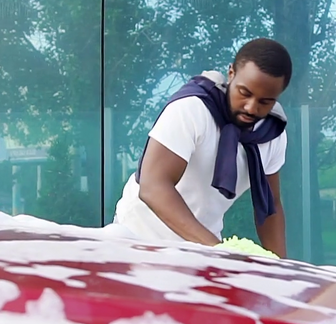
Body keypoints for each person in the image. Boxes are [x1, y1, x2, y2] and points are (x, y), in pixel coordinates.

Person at [112, 38, 293, 258]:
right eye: (244, 93)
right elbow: (153, 185)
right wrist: (218, 250)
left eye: (265, 101)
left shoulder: (272, 135)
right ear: (231, 74)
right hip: (139, 240)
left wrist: (284, 270)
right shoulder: (192, 108)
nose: (251, 107)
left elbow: (270, 205)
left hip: (201, 249)